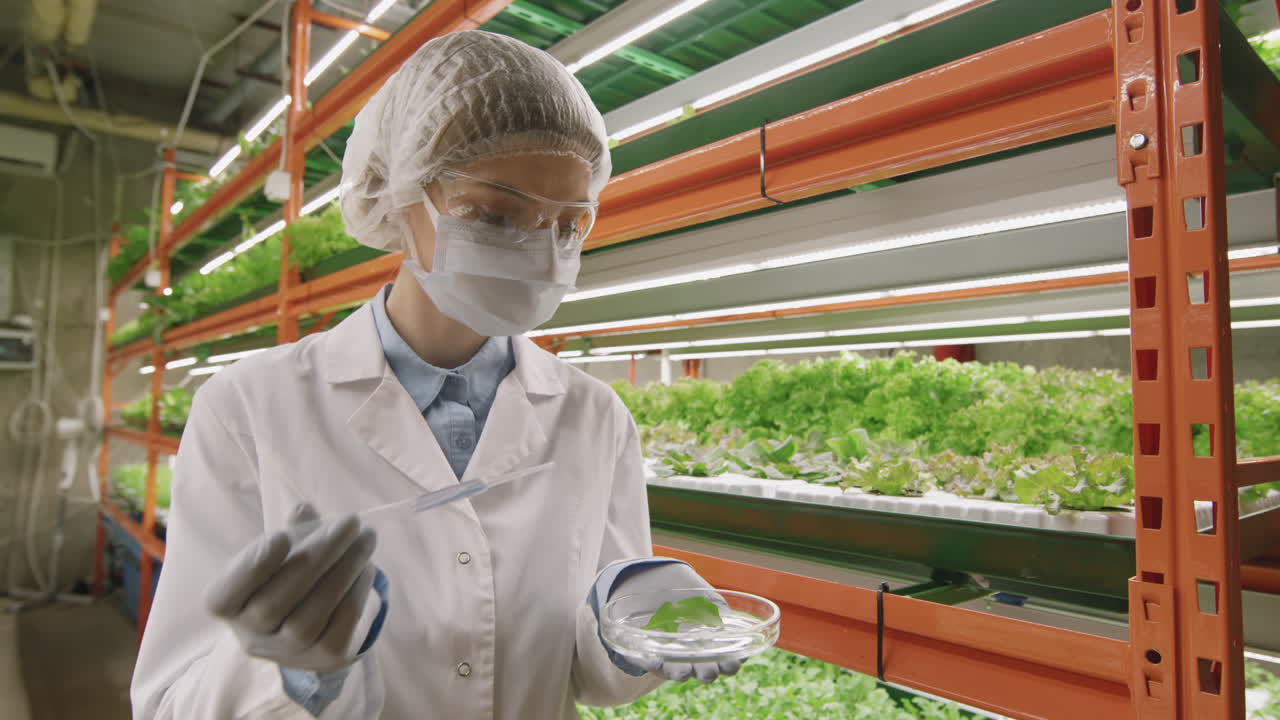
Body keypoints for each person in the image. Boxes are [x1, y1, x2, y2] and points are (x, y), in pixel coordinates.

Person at [131, 30, 744, 720]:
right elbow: (169, 700)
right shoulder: (248, 407)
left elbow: (592, 678)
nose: (540, 253)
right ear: (398, 197)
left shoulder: (595, 417)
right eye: (493, 214)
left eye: (567, 225)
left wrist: (628, 625)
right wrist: (293, 676)